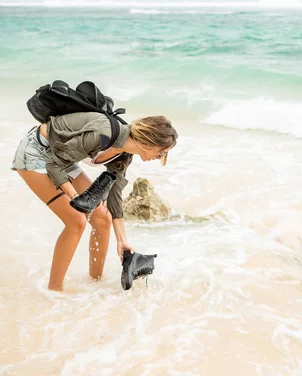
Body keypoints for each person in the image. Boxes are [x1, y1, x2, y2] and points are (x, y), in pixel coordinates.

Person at [11, 112, 178, 291]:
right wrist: (76, 198)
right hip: (36, 150)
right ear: (147, 142)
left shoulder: (124, 155)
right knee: (76, 220)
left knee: (102, 216)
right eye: (162, 152)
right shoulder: (104, 134)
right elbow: (54, 164)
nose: (161, 157)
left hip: (62, 155)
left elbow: (115, 194)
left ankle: (95, 282)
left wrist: (122, 241)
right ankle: (55, 291)